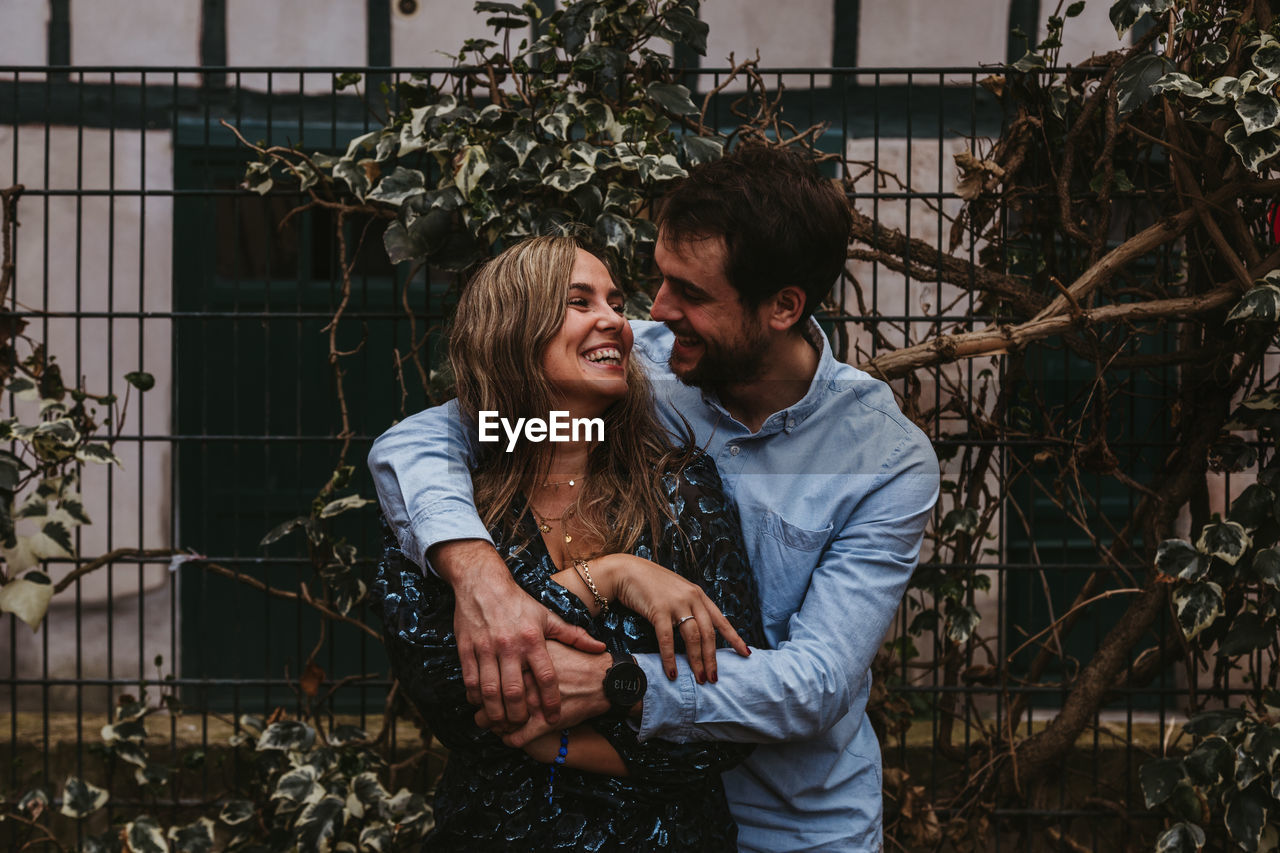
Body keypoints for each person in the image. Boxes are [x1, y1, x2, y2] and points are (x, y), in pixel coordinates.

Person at [370, 144, 940, 851]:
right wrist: (478, 572)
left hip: (799, 819)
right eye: (661, 281)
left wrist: (616, 684)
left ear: (783, 307)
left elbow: (816, 681)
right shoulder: (638, 360)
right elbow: (423, 439)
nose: (657, 311)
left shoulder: (884, 458)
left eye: (692, 294)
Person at [372, 233, 765, 851]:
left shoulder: (681, 488)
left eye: (614, 301)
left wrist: (555, 742)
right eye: (579, 302)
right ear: (512, 329)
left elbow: (734, 717)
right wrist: (605, 576)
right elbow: (453, 694)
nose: (615, 319)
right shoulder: (450, 509)